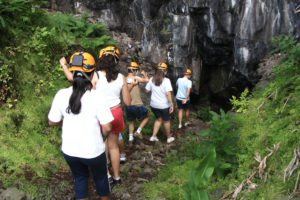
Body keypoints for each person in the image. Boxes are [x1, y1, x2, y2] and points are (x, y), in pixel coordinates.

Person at [48, 52, 113, 200]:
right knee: (101, 179)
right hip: (94, 151)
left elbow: (52, 121)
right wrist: (103, 137)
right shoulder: (96, 97)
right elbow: (108, 127)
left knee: (80, 178)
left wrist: (65, 119)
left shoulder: (61, 94)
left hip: (70, 150)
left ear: (71, 72)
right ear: (91, 75)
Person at [92, 46, 131, 184]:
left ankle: (106, 174)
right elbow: (127, 101)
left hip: (101, 114)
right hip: (116, 113)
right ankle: (116, 176)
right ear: (116, 61)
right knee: (114, 146)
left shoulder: (95, 75)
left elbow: (89, 97)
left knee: (102, 144)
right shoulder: (121, 77)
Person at [145, 62, 175, 144]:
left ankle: (153, 136)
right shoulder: (166, 81)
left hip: (153, 105)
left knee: (159, 119)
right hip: (164, 106)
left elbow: (147, 91)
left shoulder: (152, 79)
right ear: (165, 71)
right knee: (166, 121)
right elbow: (168, 93)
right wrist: (171, 104)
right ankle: (168, 138)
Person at [125, 62, 150, 143]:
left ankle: (130, 139)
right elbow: (147, 80)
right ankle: (138, 131)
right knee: (147, 116)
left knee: (131, 121)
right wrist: (144, 74)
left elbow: (126, 91)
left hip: (128, 105)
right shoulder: (135, 78)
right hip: (137, 104)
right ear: (134, 70)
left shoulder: (124, 79)